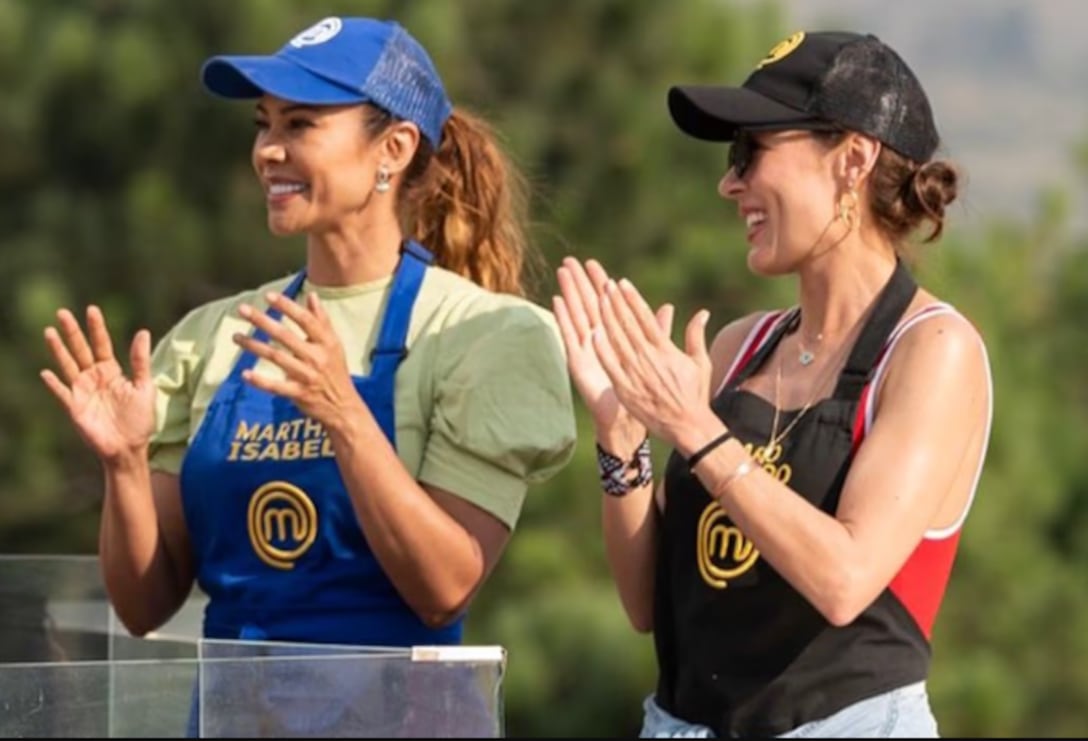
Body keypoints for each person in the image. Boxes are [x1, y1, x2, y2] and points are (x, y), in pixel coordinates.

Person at [39, 15, 575, 735]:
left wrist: (345, 413)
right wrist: (125, 465)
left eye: (300, 124)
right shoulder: (213, 336)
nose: (268, 151)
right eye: (263, 125)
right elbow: (143, 607)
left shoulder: (484, 334)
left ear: (393, 148)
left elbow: (445, 586)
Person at [553, 31, 994, 738]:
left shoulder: (934, 350)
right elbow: (648, 604)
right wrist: (622, 444)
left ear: (852, 159)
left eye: (750, 151)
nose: (731, 183)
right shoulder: (741, 346)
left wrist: (698, 432)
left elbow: (846, 578)